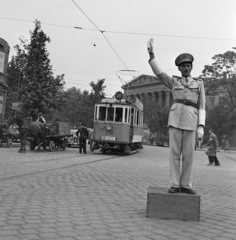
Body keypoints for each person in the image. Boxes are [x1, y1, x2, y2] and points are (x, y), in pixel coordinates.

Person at [147, 38, 206, 194]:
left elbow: (202, 106)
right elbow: (159, 73)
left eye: (188, 66)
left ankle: (186, 184)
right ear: (179, 69)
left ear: (191, 67)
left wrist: (201, 126)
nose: (186, 68)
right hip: (175, 120)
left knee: (189, 155)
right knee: (174, 154)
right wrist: (152, 55)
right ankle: (174, 184)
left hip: (191, 121)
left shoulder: (199, 83)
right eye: (183, 66)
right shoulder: (173, 81)